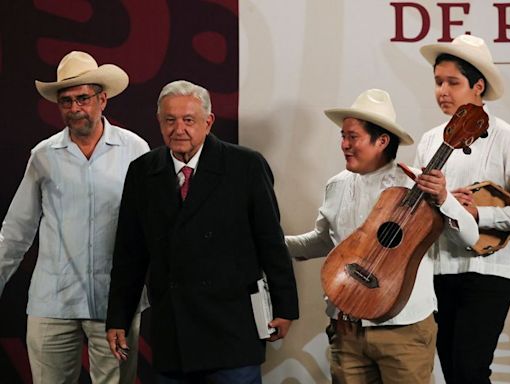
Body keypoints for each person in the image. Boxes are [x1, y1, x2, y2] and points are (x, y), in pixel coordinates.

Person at [105, 80, 299, 384]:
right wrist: (118, 317)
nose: (178, 128)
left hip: (233, 329)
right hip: (174, 332)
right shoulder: (143, 171)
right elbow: (130, 254)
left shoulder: (245, 165)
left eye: (188, 120)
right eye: (170, 120)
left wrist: (285, 307)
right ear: (159, 122)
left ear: (208, 123)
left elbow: (270, 242)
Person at [286, 88, 479, 384]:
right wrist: (272, 243)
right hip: (346, 331)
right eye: (343, 136)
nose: (344, 145)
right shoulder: (335, 185)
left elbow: (469, 237)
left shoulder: (418, 183)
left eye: (353, 137)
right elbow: (326, 241)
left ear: (382, 141)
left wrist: (443, 198)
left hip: (404, 331)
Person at [0, 51, 149, 383]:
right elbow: (16, 232)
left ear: (102, 99)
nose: (74, 108)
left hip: (115, 304)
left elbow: (153, 229)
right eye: (66, 101)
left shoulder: (135, 150)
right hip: (53, 302)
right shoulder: (43, 156)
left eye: (83, 98)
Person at [416, 34, 510, 384]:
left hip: (488, 272)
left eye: (452, 82)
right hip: (438, 271)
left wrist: (476, 214)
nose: (442, 90)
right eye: (438, 81)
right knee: (454, 373)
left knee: (470, 372)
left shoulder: (506, 138)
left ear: (478, 86)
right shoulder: (429, 140)